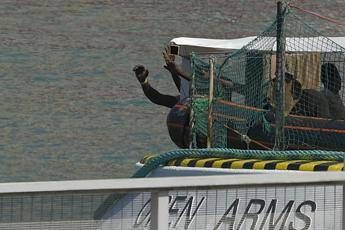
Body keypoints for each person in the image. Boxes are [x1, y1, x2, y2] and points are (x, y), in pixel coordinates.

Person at [133, 48, 192, 148]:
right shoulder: (184, 103)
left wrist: (175, 71)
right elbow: (157, 98)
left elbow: (185, 88)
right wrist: (144, 82)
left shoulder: (212, 100)